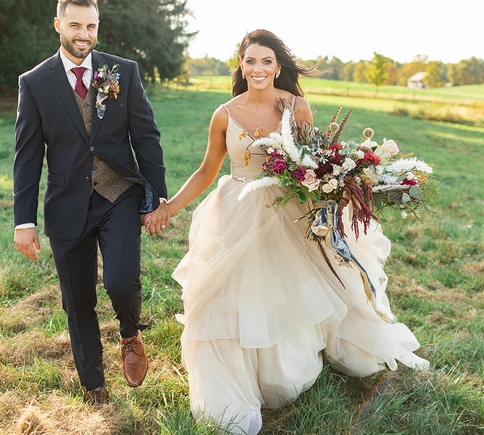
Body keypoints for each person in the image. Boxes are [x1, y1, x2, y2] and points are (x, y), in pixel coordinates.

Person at [166, 30, 429, 434]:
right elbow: (206, 170)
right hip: (235, 211)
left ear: (277, 66)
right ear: (240, 64)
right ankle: (237, 377)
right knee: (231, 293)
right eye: (251, 61)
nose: (258, 69)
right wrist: (168, 207)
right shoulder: (224, 113)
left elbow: (315, 162)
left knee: (291, 288)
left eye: (266, 61)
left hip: (286, 209)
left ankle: (285, 369)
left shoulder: (296, 106)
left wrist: (341, 193)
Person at [13, 0, 169, 405]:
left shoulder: (123, 72)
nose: (84, 34)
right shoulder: (35, 83)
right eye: (76, 25)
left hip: (118, 194)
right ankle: (93, 385)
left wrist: (157, 198)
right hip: (66, 205)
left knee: (119, 282)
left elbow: (147, 138)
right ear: (59, 24)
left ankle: (130, 332)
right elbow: (27, 157)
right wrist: (23, 221)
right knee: (77, 299)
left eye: (92, 26)